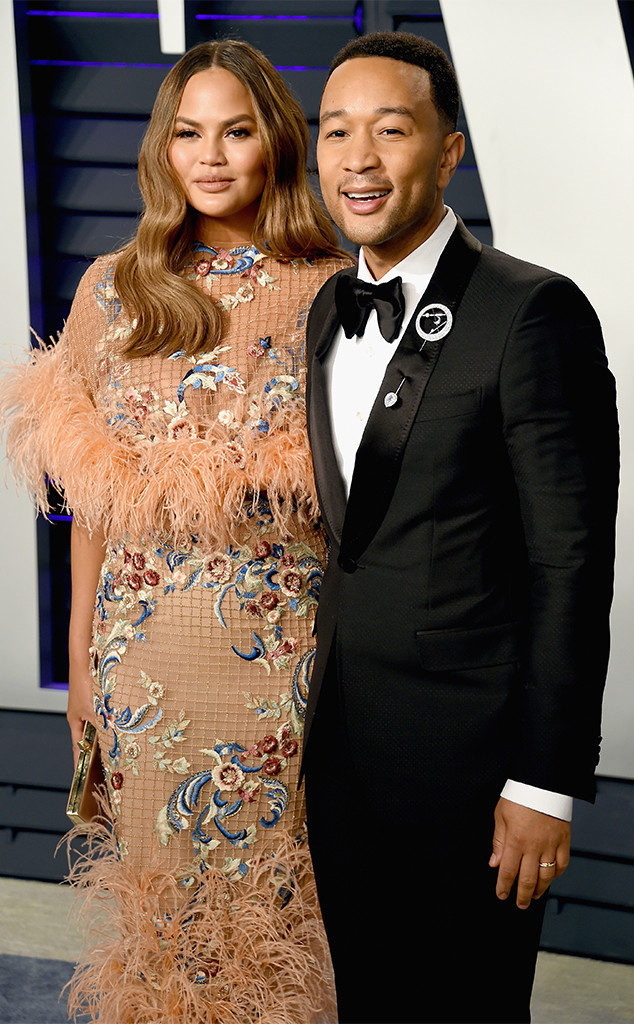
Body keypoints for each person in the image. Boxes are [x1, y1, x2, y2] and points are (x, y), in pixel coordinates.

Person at [0, 39, 351, 1024]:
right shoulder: (113, 288)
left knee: (281, 911)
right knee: (163, 924)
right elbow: (93, 497)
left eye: (236, 130)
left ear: (273, 142)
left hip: (286, 655)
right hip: (143, 655)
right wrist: (78, 657)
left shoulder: (331, 285)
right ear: (160, 150)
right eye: (188, 133)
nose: (212, 155)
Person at [301, 31, 619, 1024]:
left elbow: (570, 561)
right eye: (335, 131)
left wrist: (545, 782)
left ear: (445, 152)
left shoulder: (533, 312)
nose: (357, 157)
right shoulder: (324, 308)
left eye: (389, 130)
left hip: (474, 769)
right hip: (346, 755)